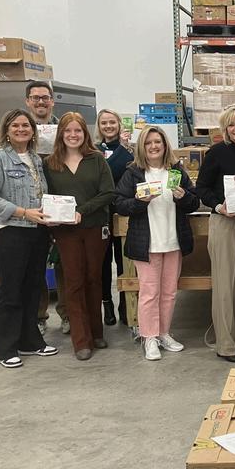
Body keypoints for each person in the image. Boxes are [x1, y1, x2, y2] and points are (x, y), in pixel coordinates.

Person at [0, 109, 59, 368]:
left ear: (33, 131)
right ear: (7, 130)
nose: (21, 129)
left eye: (26, 125)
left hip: (37, 230)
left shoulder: (35, 159)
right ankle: (5, 347)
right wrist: (23, 212)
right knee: (11, 289)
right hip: (10, 230)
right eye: (15, 126)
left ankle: (29, 340)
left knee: (33, 287)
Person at [114, 126, 199, 361]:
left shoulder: (176, 171)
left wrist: (184, 197)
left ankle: (163, 333)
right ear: (142, 147)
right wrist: (139, 202)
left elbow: (194, 202)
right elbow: (119, 204)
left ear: (164, 145)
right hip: (147, 244)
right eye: (148, 142)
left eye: (157, 142)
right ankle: (148, 337)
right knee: (149, 292)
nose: (153, 146)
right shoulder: (133, 173)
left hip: (173, 241)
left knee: (169, 292)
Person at [44, 112, 115, 361]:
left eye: (78, 130)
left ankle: (96, 332)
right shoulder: (50, 163)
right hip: (66, 232)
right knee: (73, 282)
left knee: (93, 279)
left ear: (85, 134)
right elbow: (46, 196)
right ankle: (81, 340)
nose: (73, 135)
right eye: (68, 130)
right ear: (60, 134)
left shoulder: (96, 160)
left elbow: (108, 193)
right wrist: (51, 218)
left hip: (95, 228)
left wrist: (81, 211)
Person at [196, 105, 235, 363]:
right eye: (231, 125)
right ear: (225, 128)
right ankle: (225, 344)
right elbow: (201, 187)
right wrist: (219, 206)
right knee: (225, 286)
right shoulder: (217, 153)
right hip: (225, 223)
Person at [25, 80, 69, 337]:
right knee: (35, 265)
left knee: (64, 263)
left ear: (52, 101)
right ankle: (40, 316)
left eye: (45, 97)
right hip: (31, 208)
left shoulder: (63, 128)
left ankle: (67, 315)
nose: (40, 102)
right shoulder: (21, 128)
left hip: (61, 203)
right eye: (35, 98)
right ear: (28, 101)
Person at [96, 109, 134, 325]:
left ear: (119, 124)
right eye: (104, 123)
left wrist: (124, 148)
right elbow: (106, 172)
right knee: (103, 261)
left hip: (123, 212)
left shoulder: (130, 149)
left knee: (124, 260)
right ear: (99, 126)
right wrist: (121, 149)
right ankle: (107, 303)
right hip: (101, 213)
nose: (108, 126)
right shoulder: (94, 150)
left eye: (112, 122)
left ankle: (125, 303)